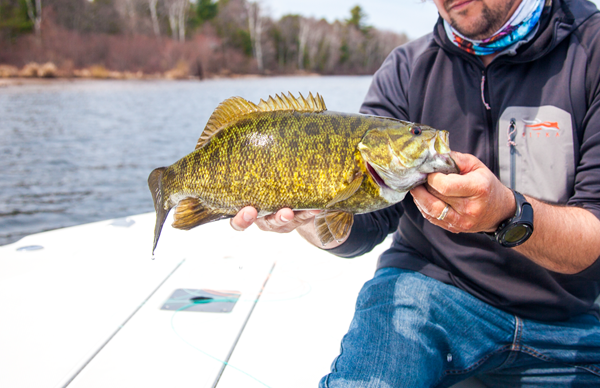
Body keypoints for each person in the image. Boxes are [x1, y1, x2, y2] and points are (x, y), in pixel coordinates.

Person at [232, 0, 600, 386]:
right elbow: (370, 221)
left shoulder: (590, 50)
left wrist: (506, 214)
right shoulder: (406, 67)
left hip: (569, 318)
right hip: (429, 289)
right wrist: (315, 214)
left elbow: (593, 234)